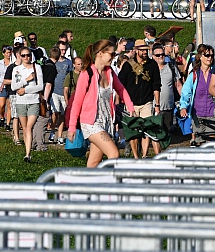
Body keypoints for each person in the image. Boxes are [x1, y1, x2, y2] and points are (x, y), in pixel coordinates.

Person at [67, 39, 135, 168]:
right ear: (100, 53)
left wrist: (130, 106)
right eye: (111, 54)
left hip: (107, 120)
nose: (113, 57)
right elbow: (77, 102)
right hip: (91, 123)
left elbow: (121, 89)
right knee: (114, 154)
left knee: (93, 163)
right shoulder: (87, 73)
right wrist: (71, 127)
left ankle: (87, 186)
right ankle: (110, 186)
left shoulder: (109, 72)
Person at [118, 39, 161, 158]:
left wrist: (157, 104)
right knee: (133, 131)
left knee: (146, 130)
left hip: (147, 101)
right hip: (131, 102)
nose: (144, 52)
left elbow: (156, 85)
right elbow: (121, 84)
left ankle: (145, 155)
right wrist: (123, 101)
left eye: (146, 50)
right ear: (136, 51)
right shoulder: (128, 65)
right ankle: (136, 156)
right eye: (142, 50)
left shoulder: (152, 65)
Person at [179, 44, 215, 146]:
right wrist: (183, 107)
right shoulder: (194, 74)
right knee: (201, 144)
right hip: (198, 114)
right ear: (200, 56)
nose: (210, 58)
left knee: (211, 143)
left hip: (212, 112)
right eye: (207, 55)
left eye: (211, 55)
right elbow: (186, 92)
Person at [11, 47, 43, 162]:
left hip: (33, 101)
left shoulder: (37, 67)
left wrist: (26, 90)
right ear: (19, 56)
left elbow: (40, 86)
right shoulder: (16, 69)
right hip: (20, 102)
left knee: (29, 127)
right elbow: (14, 86)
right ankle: (27, 150)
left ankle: (28, 154)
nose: (26, 57)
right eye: (23, 55)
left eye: (28, 55)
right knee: (25, 128)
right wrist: (27, 79)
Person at [31, 46, 57, 152]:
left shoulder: (42, 66)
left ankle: (33, 142)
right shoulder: (52, 68)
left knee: (37, 121)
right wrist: (45, 101)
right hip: (43, 97)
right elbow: (48, 86)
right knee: (43, 120)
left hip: (35, 95)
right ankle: (40, 144)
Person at [153, 44, 183, 134]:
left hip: (168, 107)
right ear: (153, 56)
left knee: (166, 133)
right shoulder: (149, 69)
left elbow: (178, 85)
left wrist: (184, 101)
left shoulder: (171, 67)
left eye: (162, 54)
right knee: (155, 133)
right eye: (158, 55)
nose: (161, 56)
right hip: (152, 107)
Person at [49, 41, 73, 145]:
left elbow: (71, 76)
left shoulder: (68, 63)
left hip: (64, 92)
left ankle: (59, 136)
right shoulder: (54, 62)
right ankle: (52, 131)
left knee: (62, 114)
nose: (62, 52)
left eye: (64, 49)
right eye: (61, 49)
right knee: (55, 112)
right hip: (54, 91)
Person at [0, 45, 13, 128]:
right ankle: (2, 117)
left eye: (10, 52)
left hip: (11, 86)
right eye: (7, 53)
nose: (9, 54)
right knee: (1, 105)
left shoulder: (13, 63)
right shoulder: (0, 63)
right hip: (1, 86)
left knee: (10, 106)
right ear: (3, 53)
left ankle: (8, 124)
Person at [3, 47, 22, 140]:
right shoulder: (11, 67)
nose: (26, 57)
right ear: (17, 55)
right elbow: (5, 81)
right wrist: (16, 81)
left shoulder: (27, 67)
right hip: (14, 93)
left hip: (25, 93)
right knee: (16, 115)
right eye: (23, 55)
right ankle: (16, 137)